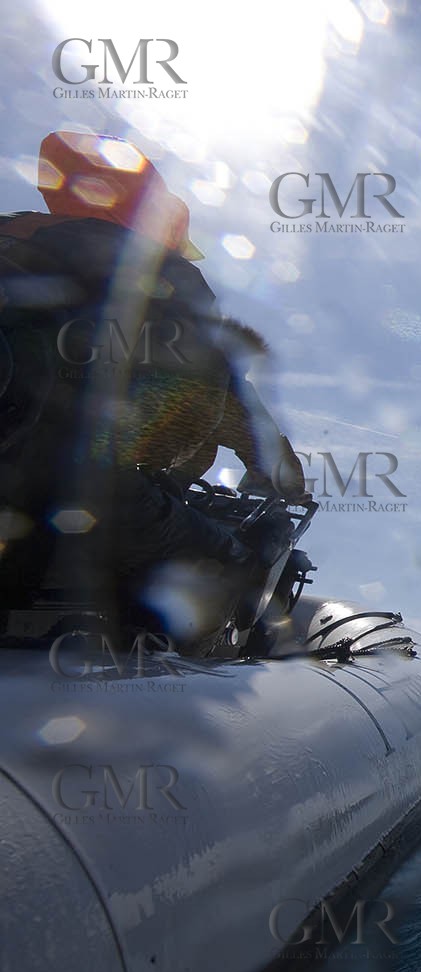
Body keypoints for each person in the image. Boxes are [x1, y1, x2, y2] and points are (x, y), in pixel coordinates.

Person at [0, 131, 304, 654]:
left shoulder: (14, 243)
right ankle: (165, 667)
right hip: (70, 489)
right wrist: (281, 478)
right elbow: (230, 402)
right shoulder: (164, 277)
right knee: (237, 556)